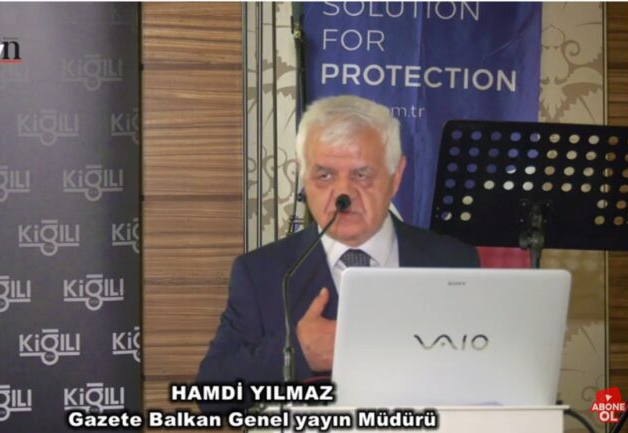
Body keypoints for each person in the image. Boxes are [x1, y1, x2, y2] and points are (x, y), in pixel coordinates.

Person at [196, 95, 479, 412]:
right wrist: (298, 353)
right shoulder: (263, 272)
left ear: (396, 176)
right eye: (325, 175)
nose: (343, 193)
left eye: (362, 175)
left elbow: (485, 375)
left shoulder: (452, 262)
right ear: (303, 177)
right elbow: (211, 396)